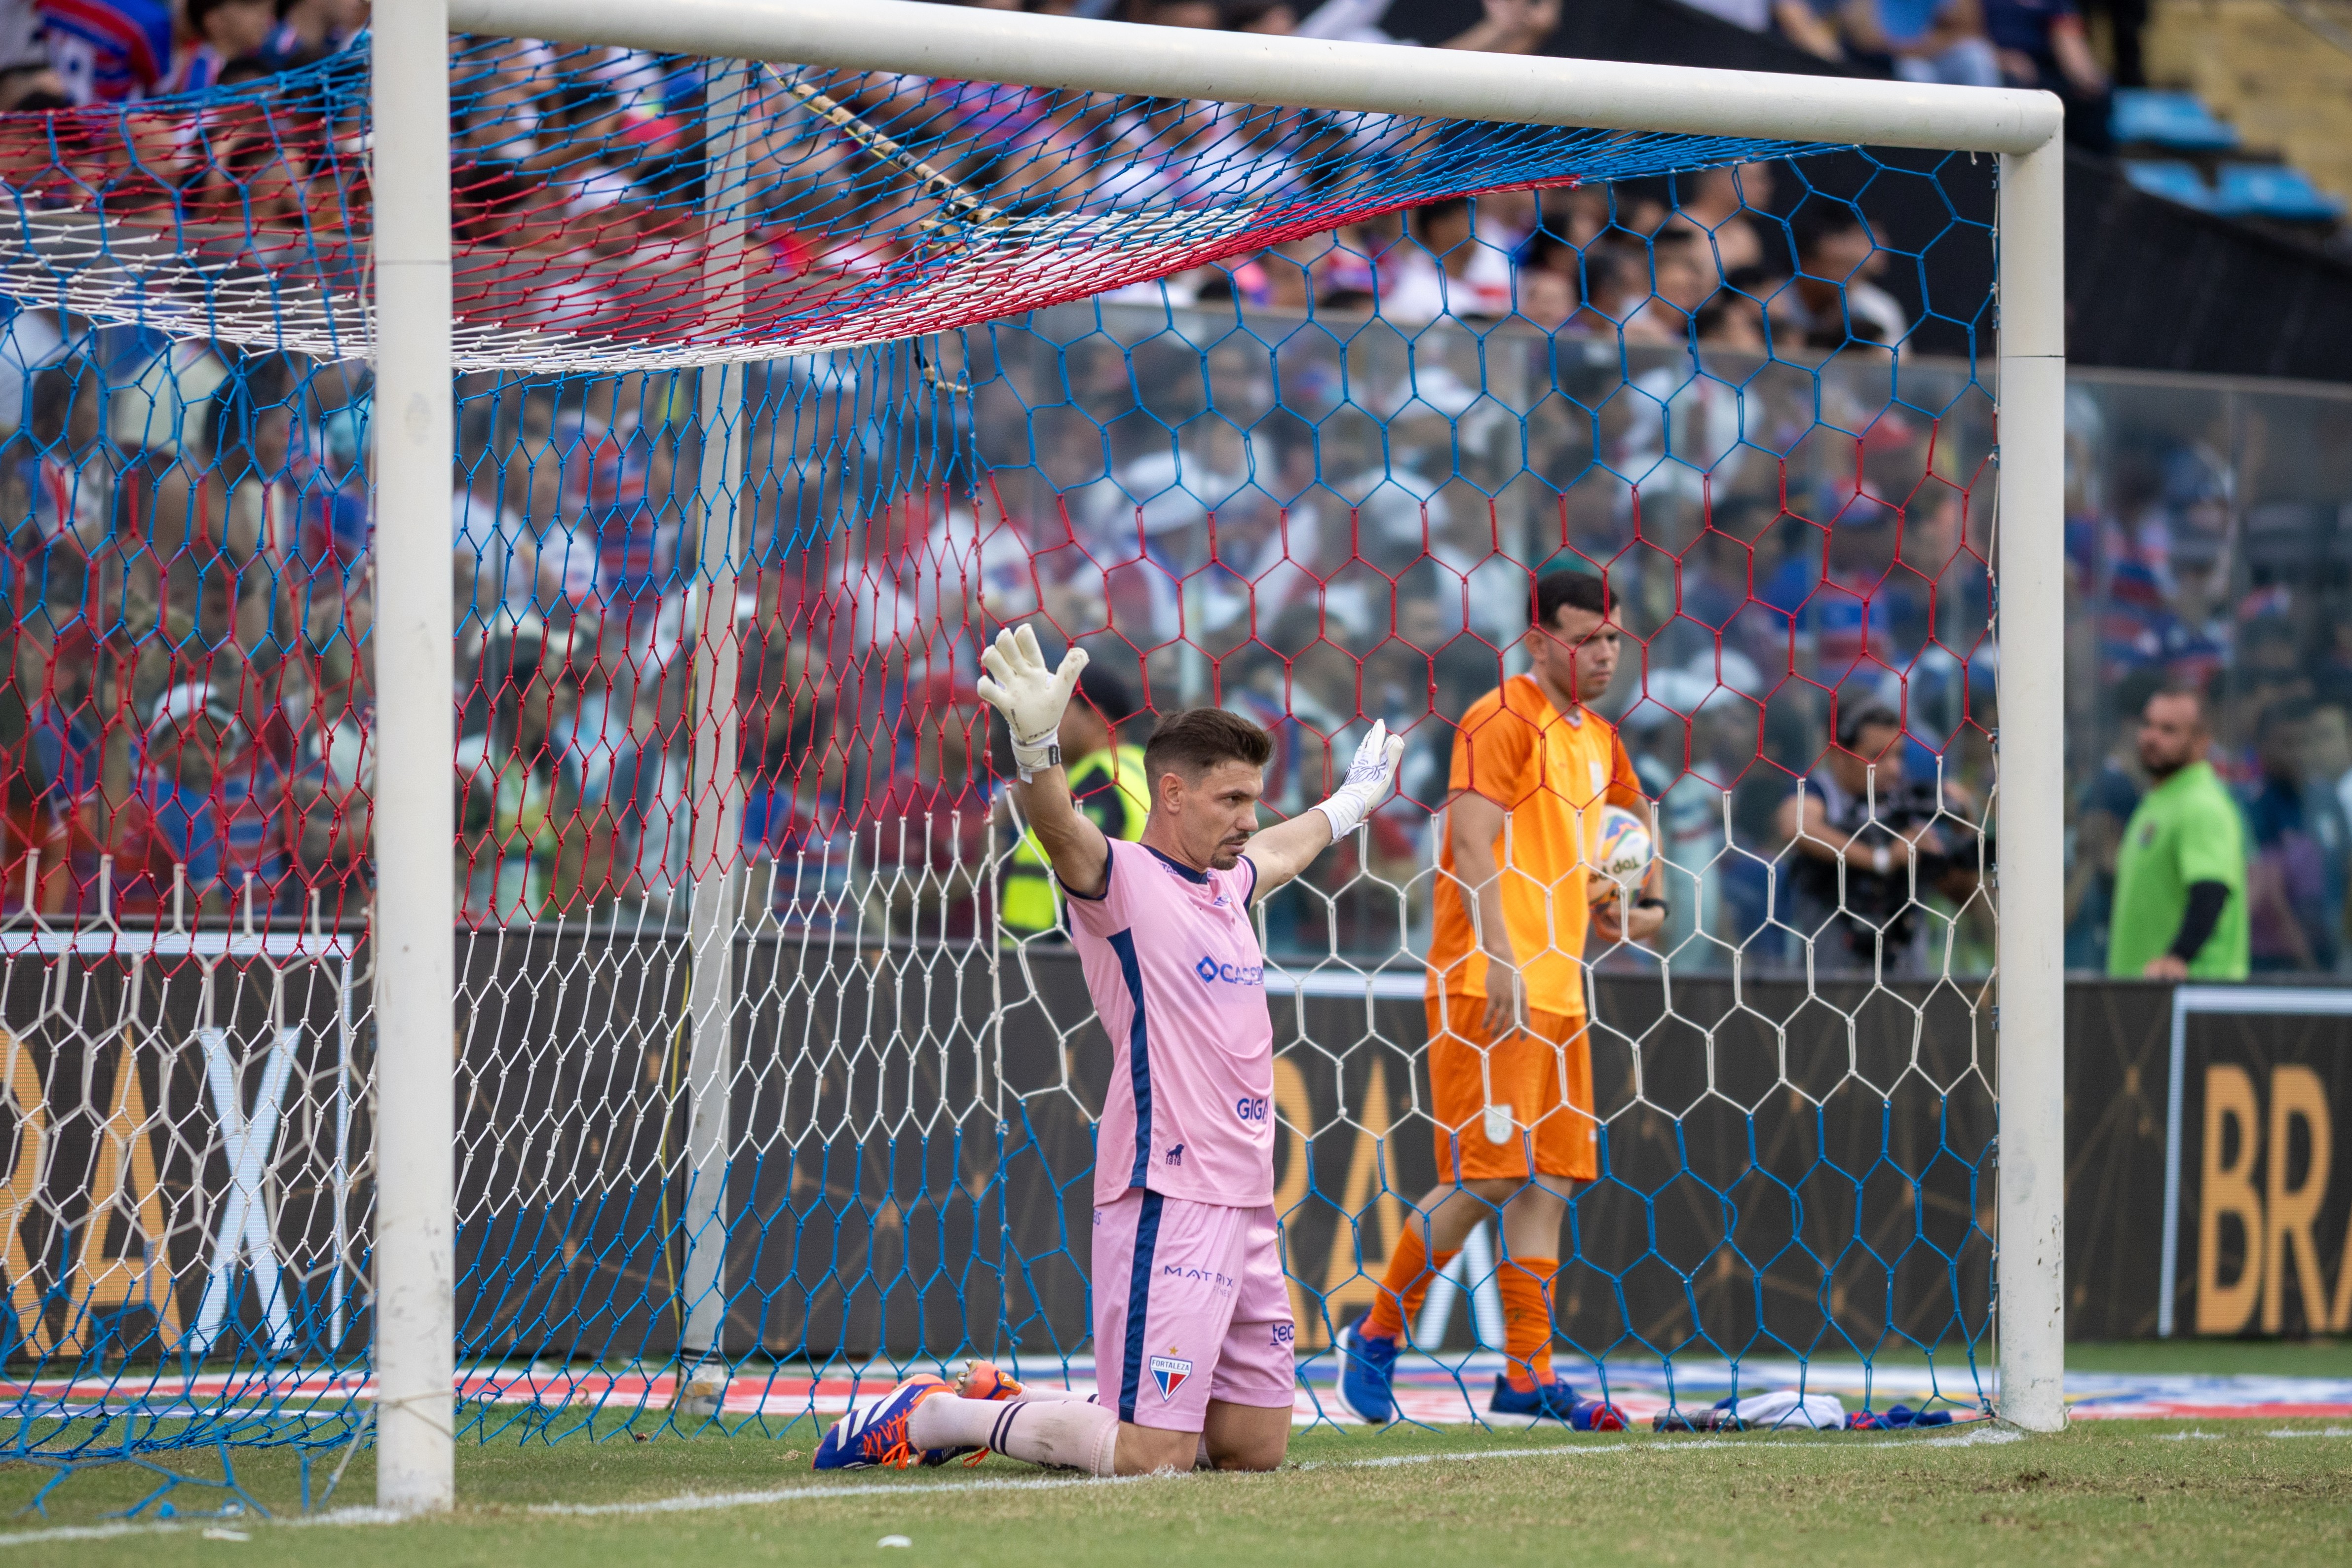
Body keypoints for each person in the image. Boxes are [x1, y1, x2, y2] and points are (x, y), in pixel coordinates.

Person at [814, 623, 1404, 1476]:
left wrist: (1349, 805)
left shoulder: (1228, 884)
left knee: (1251, 1448)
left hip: (1243, 1197)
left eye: (1251, 799)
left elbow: (1284, 846)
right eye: (1231, 800)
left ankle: (1068, 1412)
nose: (1249, 818)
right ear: (1172, 793)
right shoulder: (1121, 881)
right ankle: (941, 1416)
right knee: (1151, 1457)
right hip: (1165, 1190)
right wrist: (1036, 745)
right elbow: (1057, 827)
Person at [1341, 569, 1662, 1426]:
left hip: (1558, 988)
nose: (1600, 653)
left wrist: (1630, 900)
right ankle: (1376, 1333)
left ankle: (1526, 1374)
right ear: (1536, 640)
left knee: (1550, 1179)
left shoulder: (1597, 737)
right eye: (1582, 637)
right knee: (1489, 1175)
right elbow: (1473, 842)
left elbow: (1626, 826)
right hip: (1491, 980)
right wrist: (1500, 954)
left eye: (1611, 638)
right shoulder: (1501, 716)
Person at [1778, 699, 1980, 973]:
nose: (1894, 769)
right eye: (1878, 757)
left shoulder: (1907, 805)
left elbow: (1967, 901)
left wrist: (1963, 833)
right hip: (1830, 983)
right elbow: (1795, 826)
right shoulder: (1821, 793)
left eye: (1898, 756)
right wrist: (1881, 859)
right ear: (1839, 756)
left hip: (1906, 989)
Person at [998, 662, 1149, 943]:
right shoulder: (1141, 768)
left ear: (1095, 719)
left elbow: (1088, 872)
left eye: (1060, 709)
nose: (1049, 720)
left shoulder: (1099, 780)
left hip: (1060, 969)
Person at [2108, 685, 2248, 981]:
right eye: (2148, 725)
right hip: (2144, 992)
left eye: (2169, 730)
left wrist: (2177, 957)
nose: (2151, 737)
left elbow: (2211, 891)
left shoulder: (2201, 803)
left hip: (2192, 996)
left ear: (2201, 742)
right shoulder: (2160, 799)